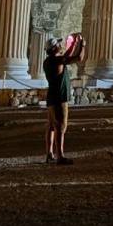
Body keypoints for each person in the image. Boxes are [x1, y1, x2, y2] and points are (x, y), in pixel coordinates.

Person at [43, 34, 85, 165]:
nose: (60, 45)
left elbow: (66, 55)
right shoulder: (58, 61)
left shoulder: (48, 61)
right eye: (58, 44)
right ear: (54, 48)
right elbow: (79, 58)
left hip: (51, 96)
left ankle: (49, 153)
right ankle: (60, 156)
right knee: (61, 126)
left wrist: (73, 45)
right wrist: (82, 45)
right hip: (60, 97)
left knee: (51, 125)